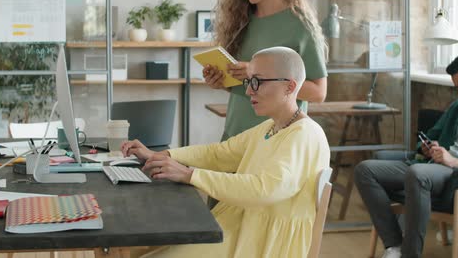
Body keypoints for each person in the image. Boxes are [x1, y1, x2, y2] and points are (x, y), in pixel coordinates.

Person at [122, 47, 330, 258]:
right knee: (138, 248)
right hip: (241, 224)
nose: (249, 91)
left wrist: (189, 175)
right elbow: (219, 153)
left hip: (263, 241)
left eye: (257, 81)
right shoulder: (270, 127)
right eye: (249, 82)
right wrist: (164, 156)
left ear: (289, 86)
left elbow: (265, 189)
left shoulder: (305, 134)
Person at [354, 53, 458, 258]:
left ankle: (411, 255)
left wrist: (457, 161)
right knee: (365, 170)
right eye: (457, 87)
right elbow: (432, 135)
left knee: (418, 173)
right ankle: (395, 245)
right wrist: (424, 147)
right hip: (432, 165)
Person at [203, 0, 328, 140]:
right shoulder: (240, 21)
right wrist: (222, 81)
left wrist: (254, 75)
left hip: (276, 140)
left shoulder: (301, 25)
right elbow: (247, 87)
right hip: (235, 135)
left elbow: (318, 93)